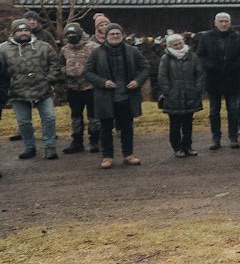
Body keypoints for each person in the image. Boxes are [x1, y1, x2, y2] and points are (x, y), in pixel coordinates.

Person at [84, 23, 151, 168]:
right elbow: (88, 72)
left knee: (127, 127)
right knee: (105, 128)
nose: (115, 36)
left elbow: (145, 67)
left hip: (126, 96)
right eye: (112, 34)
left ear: (122, 36)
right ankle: (107, 157)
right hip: (105, 97)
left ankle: (128, 155)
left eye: (117, 34)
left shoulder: (132, 51)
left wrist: (137, 81)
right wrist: (103, 82)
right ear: (106, 36)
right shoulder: (96, 53)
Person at [0, 19, 59, 160]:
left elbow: (55, 64)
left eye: (26, 30)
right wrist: (7, 86)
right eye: (20, 30)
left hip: (43, 90)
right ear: (13, 32)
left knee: (49, 118)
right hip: (17, 92)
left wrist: (49, 79)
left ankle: (50, 147)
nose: (23, 33)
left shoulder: (44, 46)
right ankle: (29, 147)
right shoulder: (2, 49)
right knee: (24, 122)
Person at [197, 12, 240, 151]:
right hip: (213, 79)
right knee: (214, 111)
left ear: (230, 23)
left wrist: (234, 67)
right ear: (215, 22)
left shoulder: (238, 37)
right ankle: (215, 139)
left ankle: (233, 137)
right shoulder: (206, 37)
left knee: (233, 110)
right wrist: (211, 67)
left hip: (232, 79)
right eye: (221, 21)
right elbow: (200, 56)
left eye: (226, 21)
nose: (223, 24)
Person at [157, 32, 205, 157]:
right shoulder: (166, 58)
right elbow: (162, 77)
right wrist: (169, 92)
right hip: (173, 97)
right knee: (175, 125)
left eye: (180, 43)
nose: (178, 46)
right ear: (170, 46)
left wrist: (197, 90)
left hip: (190, 95)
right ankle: (177, 148)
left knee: (188, 124)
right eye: (175, 44)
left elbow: (199, 74)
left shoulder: (192, 57)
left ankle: (188, 146)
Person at [58, 22, 99, 154]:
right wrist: (67, 71)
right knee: (75, 116)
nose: (71, 37)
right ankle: (77, 142)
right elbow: (60, 65)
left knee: (93, 116)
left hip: (91, 87)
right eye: (68, 35)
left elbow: (101, 64)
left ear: (80, 34)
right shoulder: (65, 50)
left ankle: (95, 141)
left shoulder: (93, 47)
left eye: (74, 34)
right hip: (73, 88)